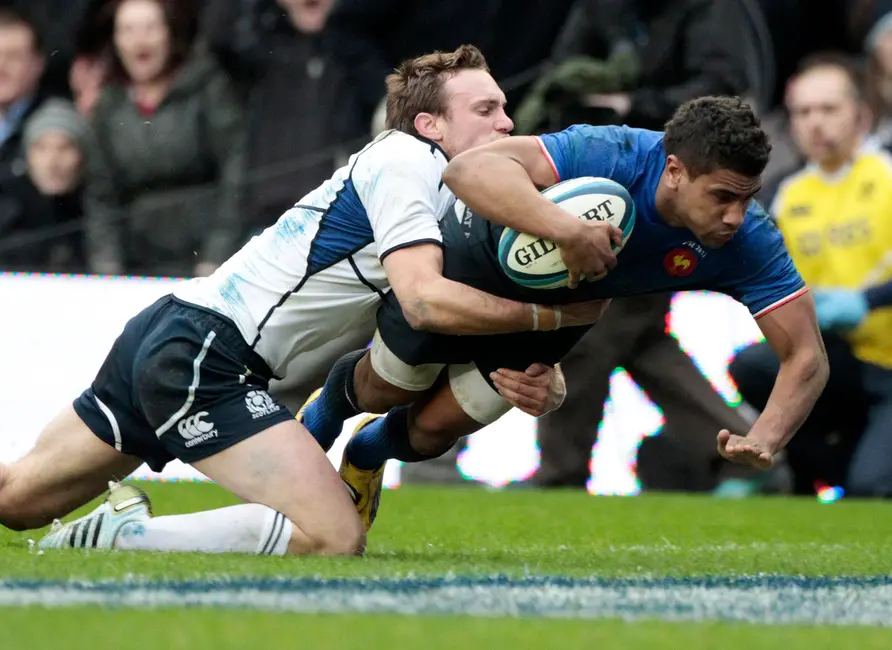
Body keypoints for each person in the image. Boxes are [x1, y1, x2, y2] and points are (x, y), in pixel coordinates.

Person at [0, 45, 611, 556]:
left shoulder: (448, 193)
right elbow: (424, 304)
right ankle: (128, 536)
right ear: (430, 125)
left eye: (504, 107)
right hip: (205, 357)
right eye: (486, 109)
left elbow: (435, 319)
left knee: (17, 500)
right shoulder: (407, 159)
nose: (506, 123)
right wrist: (550, 319)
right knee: (332, 536)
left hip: (174, 332)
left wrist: (538, 369)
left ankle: (121, 531)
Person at [300, 96, 830, 531]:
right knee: (388, 388)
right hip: (474, 267)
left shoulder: (748, 240)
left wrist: (765, 436)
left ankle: (365, 456)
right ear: (674, 171)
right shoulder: (611, 154)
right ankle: (314, 428)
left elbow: (805, 353)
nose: (736, 216)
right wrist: (566, 230)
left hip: (558, 316)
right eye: (721, 197)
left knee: (435, 430)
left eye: (747, 198)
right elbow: (468, 170)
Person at [731, 53, 892, 496]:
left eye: (828, 109)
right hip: (840, 359)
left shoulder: (887, 172)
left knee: (872, 489)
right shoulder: (785, 193)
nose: (815, 123)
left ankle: (866, 470)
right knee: (753, 366)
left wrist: (870, 302)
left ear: (862, 114)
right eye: (803, 112)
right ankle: (809, 472)